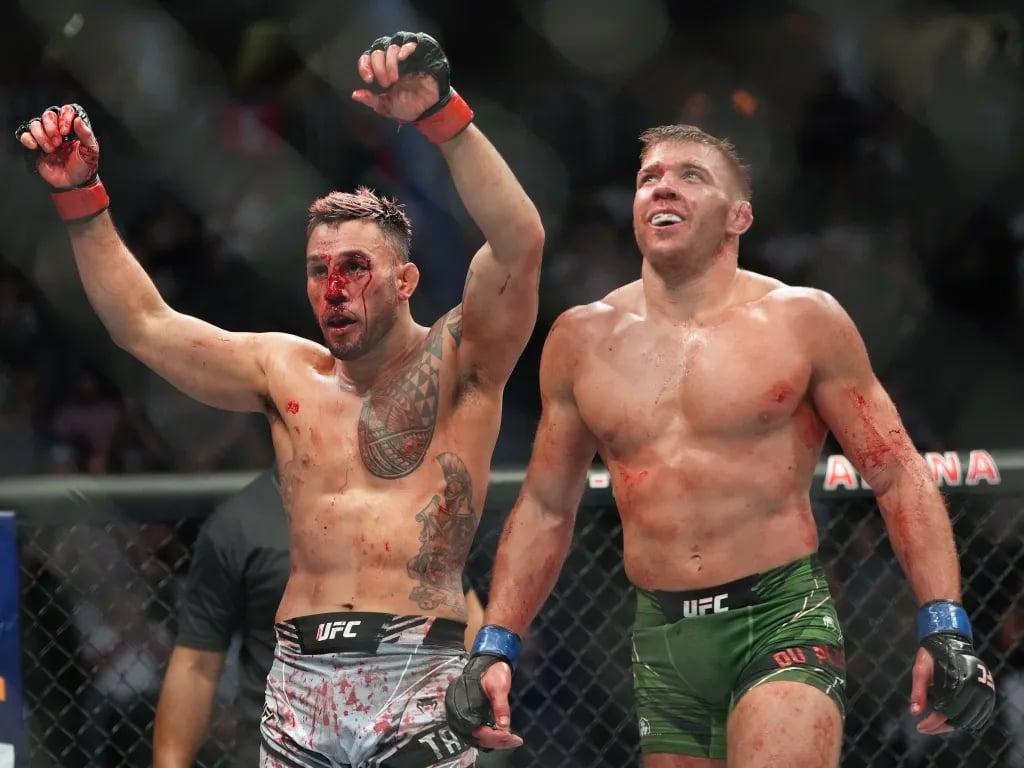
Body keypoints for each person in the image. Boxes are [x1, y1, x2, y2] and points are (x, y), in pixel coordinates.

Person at [17, 29, 543, 768]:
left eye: (356, 266)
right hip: (298, 682)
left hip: (418, 669)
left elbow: (519, 241)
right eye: (318, 268)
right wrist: (82, 199)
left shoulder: (461, 359)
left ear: (406, 281)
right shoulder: (282, 370)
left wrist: (440, 114)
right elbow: (143, 326)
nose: (334, 287)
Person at [445, 124, 996, 766]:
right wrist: (496, 644)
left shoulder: (803, 321)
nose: (662, 188)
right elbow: (545, 506)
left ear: (740, 216)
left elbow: (898, 474)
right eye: (648, 177)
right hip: (663, 635)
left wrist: (944, 624)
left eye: (690, 176)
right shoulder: (580, 340)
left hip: (780, 619)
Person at [152, 470, 487, 768]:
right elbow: (197, 663)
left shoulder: (402, 507)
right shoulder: (240, 523)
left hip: (405, 736)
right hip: (285, 744)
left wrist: (466, 710)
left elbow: (464, 611)